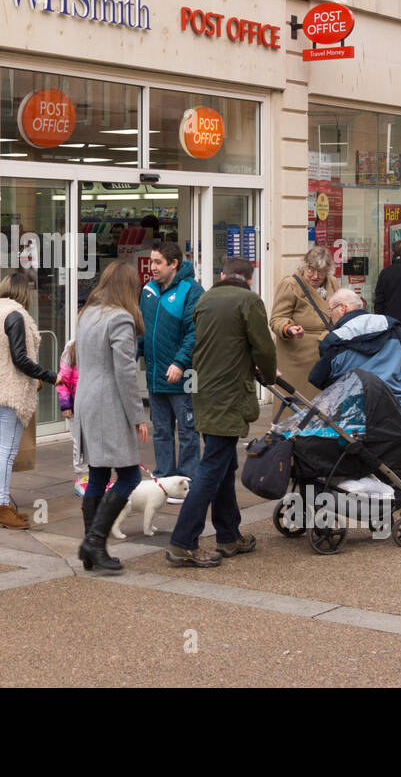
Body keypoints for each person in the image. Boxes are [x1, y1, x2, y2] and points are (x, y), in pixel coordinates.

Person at [166, 257, 276, 568]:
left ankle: (228, 536)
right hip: (228, 394)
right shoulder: (249, 301)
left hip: (203, 391)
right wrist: (267, 375)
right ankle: (183, 541)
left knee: (225, 464)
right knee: (212, 467)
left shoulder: (205, 298)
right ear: (249, 280)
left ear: (223, 275)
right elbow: (264, 348)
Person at [309, 289, 401, 489]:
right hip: (397, 404)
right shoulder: (390, 325)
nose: (330, 316)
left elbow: (318, 378)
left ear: (343, 308)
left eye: (331, 310)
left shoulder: (334, 339)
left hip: (357, 410)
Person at [72, 262, 149, 573]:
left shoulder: (89, 313)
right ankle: (94, 541)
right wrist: (137, 415)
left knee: (99, 474)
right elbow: (125, 372)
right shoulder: (120, 318)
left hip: (87, 399)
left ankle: (93, 548)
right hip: (108, 403)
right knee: (130, 476)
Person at [0, 271, 58, 528]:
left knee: (2, 448)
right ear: (25, 293)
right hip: (11, 392)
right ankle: (1, 505)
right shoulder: (15, 316)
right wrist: (50, 376)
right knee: (7, 451)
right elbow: (20, 359)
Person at [138, 241, 204, 495]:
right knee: (161, 430)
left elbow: (194, 332)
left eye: (157, 262)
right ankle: (165, 479)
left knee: (188, 431)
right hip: (156, 375)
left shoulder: (191, 290)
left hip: (183, 375)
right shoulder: (148, 291)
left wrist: (180, 362)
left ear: (174, 264)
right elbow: (141, 329)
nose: (152, 267)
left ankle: (187, 482)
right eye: (151, 261)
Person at [270, 246, 339, 401]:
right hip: (298, 355)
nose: (315, 276)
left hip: (325, 353)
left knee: (324, 405)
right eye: (311, 270)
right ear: (304, 267)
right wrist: (289, 328)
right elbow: (277, 318)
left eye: (320, 272)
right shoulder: (291, 284)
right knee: (298, 405)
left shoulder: (332, 283)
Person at [56, 340, 87, 496]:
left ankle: (97, 476)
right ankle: (82, 479)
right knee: (80, 442)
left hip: (94, 404)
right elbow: (62, 379)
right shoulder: (72, 348)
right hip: (75, 406)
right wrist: (65, 404)